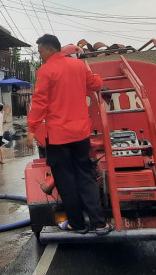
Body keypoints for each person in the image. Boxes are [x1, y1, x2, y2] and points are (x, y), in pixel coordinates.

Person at [27, 34, 113, 235]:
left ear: (49, 49)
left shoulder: (46, 71)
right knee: (86, 176)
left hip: (58, 137)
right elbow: (95, 83)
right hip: (81, 134)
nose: (40, 55)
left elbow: (39, 103)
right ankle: (99, 224)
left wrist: (32, 129)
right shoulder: (79, 66)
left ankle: (77, 224)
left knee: (66, 181)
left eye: (40, 51)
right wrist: (103, 83)